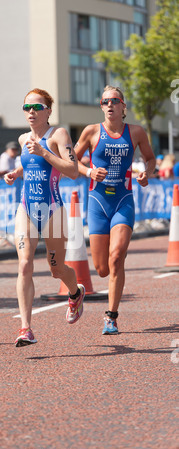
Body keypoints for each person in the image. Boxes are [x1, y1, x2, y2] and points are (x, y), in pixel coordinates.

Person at [4, 88, 85, 347]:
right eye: (27, 107)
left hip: (53, 211)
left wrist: (44, 153)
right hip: (26, 209)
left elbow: (72, 170)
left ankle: (75, 292)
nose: (31, 112)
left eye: (37, 107)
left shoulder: (58, 134)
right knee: (24, 265)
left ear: (48, 111)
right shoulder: (22, 139)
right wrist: (16, 173)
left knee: (55, 269)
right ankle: (25, 328)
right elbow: (29, 163)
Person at [75, 85, 156, 335]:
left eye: (114, 100)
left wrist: (146, 174)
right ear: (101, 106)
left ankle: (111, 316)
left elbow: (150, 159)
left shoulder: (136, 131)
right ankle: (89, 287)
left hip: (123, 200)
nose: (109, 105)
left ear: (123, 106)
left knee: (117, 256)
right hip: (97, 202)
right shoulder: (91, 131)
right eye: (104, 101)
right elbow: (70, 160)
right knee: (102, 269)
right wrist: (89, 171)